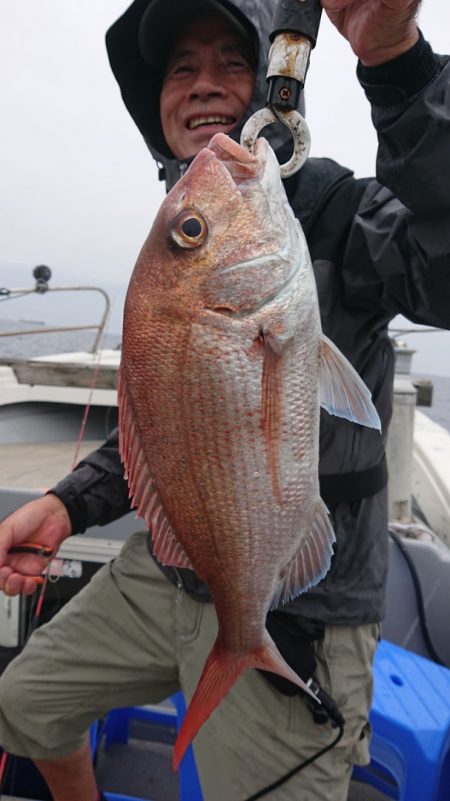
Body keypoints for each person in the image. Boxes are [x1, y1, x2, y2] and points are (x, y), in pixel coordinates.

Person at [0, 0, 449, 799]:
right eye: (180, 69)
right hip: (177, 571)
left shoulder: (343, 214)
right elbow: (169, 432)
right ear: (158, 102)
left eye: (231, 62)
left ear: (277, 88)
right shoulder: (186, 236)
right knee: (24, 700)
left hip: (307, 602)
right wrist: (69, 506)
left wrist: (397, 66)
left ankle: (249, 651)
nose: (203, 85)